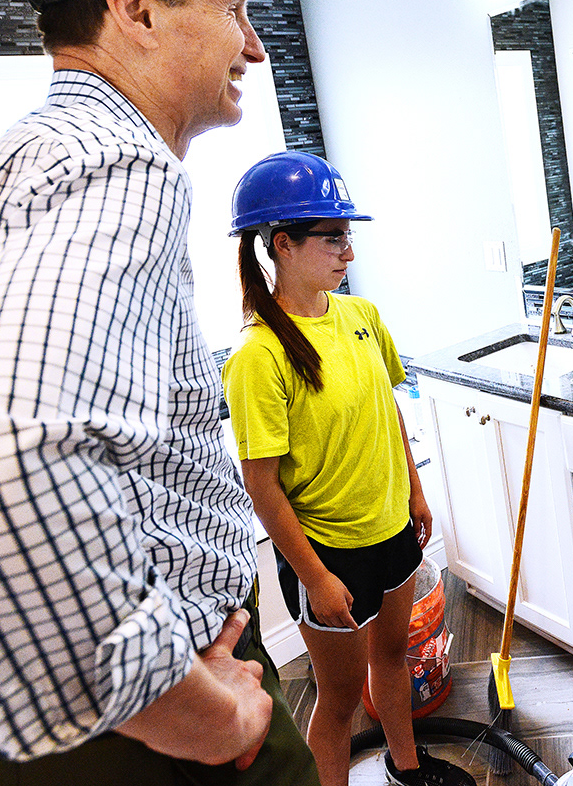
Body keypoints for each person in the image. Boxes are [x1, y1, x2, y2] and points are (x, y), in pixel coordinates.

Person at [0, 0, 319, 786]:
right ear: (135, 6)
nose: (254, 47)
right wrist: (200, 717)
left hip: (52, 719)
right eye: (234, 9)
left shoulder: (4, 169)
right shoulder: (123, 169)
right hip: (154, 734)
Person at [221, 151, 452, 786]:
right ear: (283, 244)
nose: (348, 252)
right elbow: (261, 485)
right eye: (332, 238)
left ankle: (407, 767)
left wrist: (415, 493)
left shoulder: (362, 317)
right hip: (329, 553)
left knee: (394, 660)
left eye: (348, 236)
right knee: (341, 700)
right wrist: (316, 577)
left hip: (393, 530)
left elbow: (388, 412)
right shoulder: (259, 354)